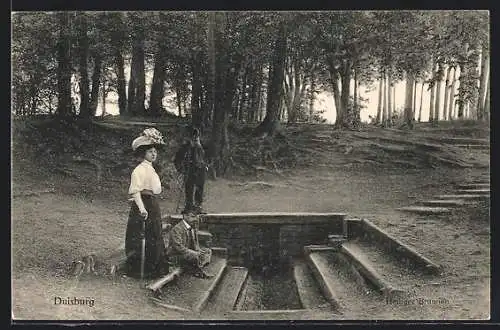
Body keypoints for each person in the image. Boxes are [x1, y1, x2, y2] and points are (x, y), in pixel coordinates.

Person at [125, 128, 169, 279]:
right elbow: (135, 191)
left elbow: (156, 189)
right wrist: (142, 209)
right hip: (142, 204)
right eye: (150, 152)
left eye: (155, 151)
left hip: (153, 203)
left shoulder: (151, 169)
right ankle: (138, 269)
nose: (154, 154)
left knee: (154, 234)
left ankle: (154, 268)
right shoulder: (139, 170)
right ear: (143, 153)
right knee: (140, 235)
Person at [166, 212, 213, 279]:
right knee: (195, 256)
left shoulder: (192, 226)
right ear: (185, 216)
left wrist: (198, 250)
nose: (195, 219)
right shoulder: (177, 229)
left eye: (196, 217)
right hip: (176, 254)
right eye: (193, 216)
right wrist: (193, 253)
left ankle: (195, 267)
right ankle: (198, 271)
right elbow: (178, 247)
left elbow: (195, 243)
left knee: (208, 251)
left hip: (188, 252)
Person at [174, 127, 208, 215]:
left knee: (200, 188)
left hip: (201, 169)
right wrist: (181, 169)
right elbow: (177, 159)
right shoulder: (185, 147)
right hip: (190, 169)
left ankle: (198, 207)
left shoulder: (202, 146)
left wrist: (206, 165)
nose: (196, 139)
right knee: (189, 188)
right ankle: (188, 207)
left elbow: (208, 156)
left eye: (197, 136)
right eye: (194, 137)